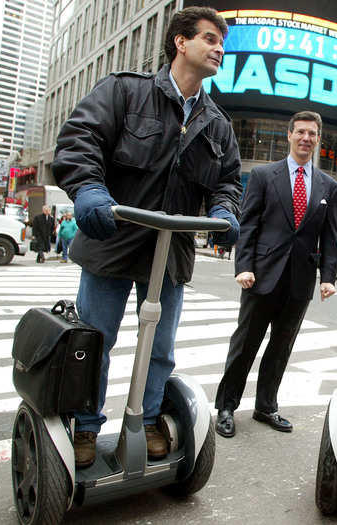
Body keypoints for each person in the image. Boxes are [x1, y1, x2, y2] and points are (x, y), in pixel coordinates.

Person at [52, 6, 242, 468]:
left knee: (160, 347)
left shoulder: (217, 122)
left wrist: (223, 210)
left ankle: (150, 418)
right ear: (181, 42)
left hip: (170, 250)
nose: (220, 48)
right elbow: (80, 139)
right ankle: (85, 426)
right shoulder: (125, 91)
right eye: (210, 39)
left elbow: (229, 180)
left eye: (222, 42)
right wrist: (90, 189)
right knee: (94, 340)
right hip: (112, 239)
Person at [214, 111, 337, 438]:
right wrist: (243, 267)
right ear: (289, 135)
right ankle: (226, 407)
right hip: (261, 277)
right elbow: (250, 225)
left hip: (300, 281)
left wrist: (328, 277)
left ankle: (266, 406)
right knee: (245, 345)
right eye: (300, 132)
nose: (306, 138)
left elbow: (328, 238)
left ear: (317, 138)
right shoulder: (263, 176)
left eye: (312, 133)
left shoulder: (328, 186)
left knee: (281, 347)